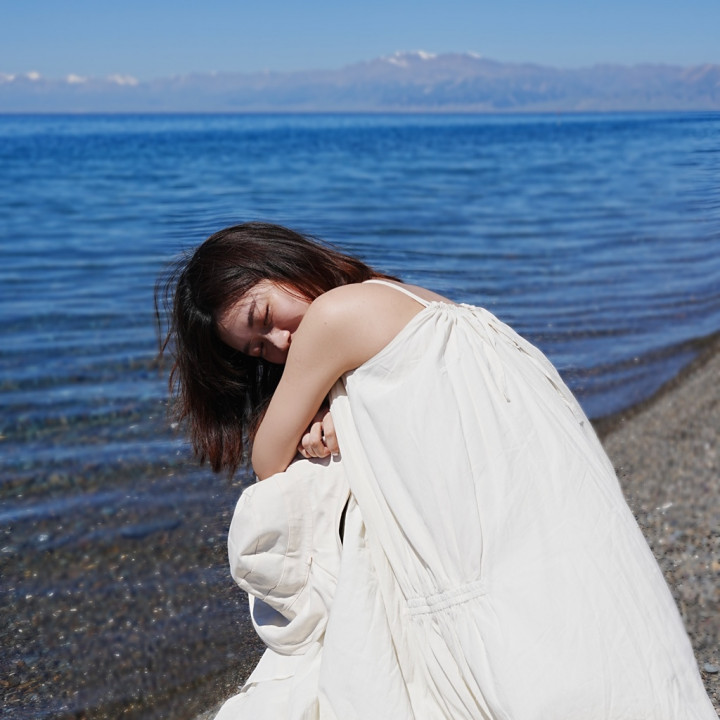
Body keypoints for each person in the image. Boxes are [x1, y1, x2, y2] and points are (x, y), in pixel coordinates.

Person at [158, 222, 717, 719]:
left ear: (278, 263)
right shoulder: (402, 294)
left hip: (484, 527)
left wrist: (319, 411)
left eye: (263, 318)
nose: (281, 343)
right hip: (534, 502)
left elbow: (266, 458)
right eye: (259, 352)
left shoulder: (332, 316)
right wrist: (332, 410)